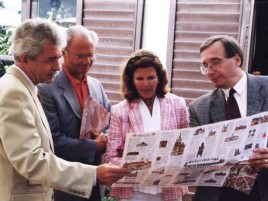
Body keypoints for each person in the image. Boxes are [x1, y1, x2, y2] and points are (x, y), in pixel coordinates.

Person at [0, 18, 129, 201]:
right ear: (25, 58)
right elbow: (32, 162)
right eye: (51, 59)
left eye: (58, 57)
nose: (58, 66)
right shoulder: (15, 92)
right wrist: (92, 174)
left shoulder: (24, 87)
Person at [189, 35, 268, 201]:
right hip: (217, 195)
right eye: (205, 66)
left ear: (237, 59)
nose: (209, 72)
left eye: (215, 62)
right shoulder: (198, 108)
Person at [104, 49, 189, 201]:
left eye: (151, 77)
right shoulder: (119, 111)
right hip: (134, 192)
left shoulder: (177, 104)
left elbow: (187, 145)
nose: (146, 84)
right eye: (139, 79)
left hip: (169, 189)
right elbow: (110, 156)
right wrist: (134, 166)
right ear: (131, 81)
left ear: (159, 78)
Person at [38, 25, 110, 201]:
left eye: (90, 55)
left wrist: (106, 138)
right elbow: (52, 140)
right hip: (65, 185)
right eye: (80, 56)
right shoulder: (46, 88)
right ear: (64, 52)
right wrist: (95, 146)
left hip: (96, 183)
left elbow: (110, 121)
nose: (86, 61)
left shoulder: (96, 85)